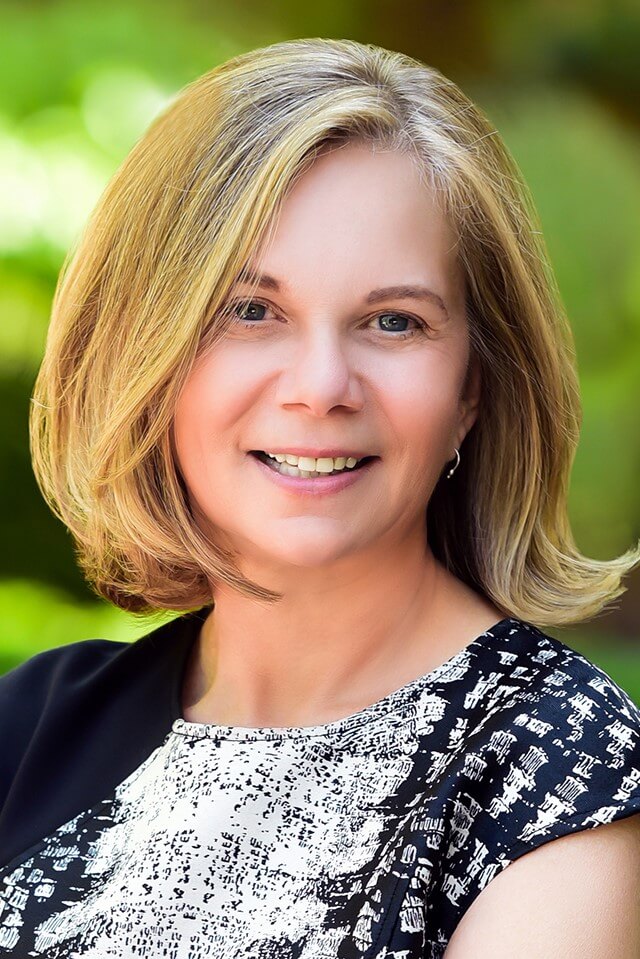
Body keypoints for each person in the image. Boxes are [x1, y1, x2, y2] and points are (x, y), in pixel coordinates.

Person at [1, 36, 639, 959]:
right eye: (252, 311)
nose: (321, 385)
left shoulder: (554, 766)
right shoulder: (30, 729)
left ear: (472, 388)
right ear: (148, 351)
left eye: (394, 322)